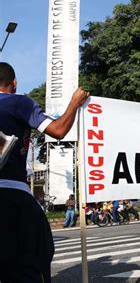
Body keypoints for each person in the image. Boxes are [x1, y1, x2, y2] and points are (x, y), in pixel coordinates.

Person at [0, 62, 89, 282]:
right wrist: (74, 103)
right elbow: (58, 130)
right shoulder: (19, 102)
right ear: (14, 83)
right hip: (13, 198)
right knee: (31, 262)